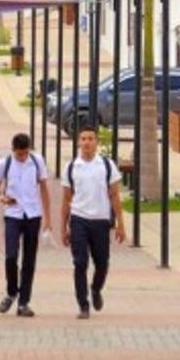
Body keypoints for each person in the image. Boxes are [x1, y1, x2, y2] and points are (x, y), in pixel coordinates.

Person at [60, 125, 126, 319]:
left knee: (102, 264)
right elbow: (65, 199)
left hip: (100, 221)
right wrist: (63, 227)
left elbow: (114, 195)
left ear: (96, 142)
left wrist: (121, 224)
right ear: (78, 142)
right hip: (79, 219)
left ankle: (96, 289)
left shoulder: (106, 165)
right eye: (83, 138)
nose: (87, 142)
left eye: (90, 138)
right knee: (80, 263)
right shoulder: (72, 167)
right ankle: (83, 304)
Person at [0, 132, 52, 317]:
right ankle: (11, 292)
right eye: (19, 153)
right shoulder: (5, 163)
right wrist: (2, 197)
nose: (23, 156)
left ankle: (24, 302)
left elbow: (44, 188)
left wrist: (48, 218)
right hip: (13, 214)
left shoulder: (37, 161)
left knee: (29, 260)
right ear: (13, 150)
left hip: (33, 215)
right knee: (11, 256)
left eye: (26, 152)